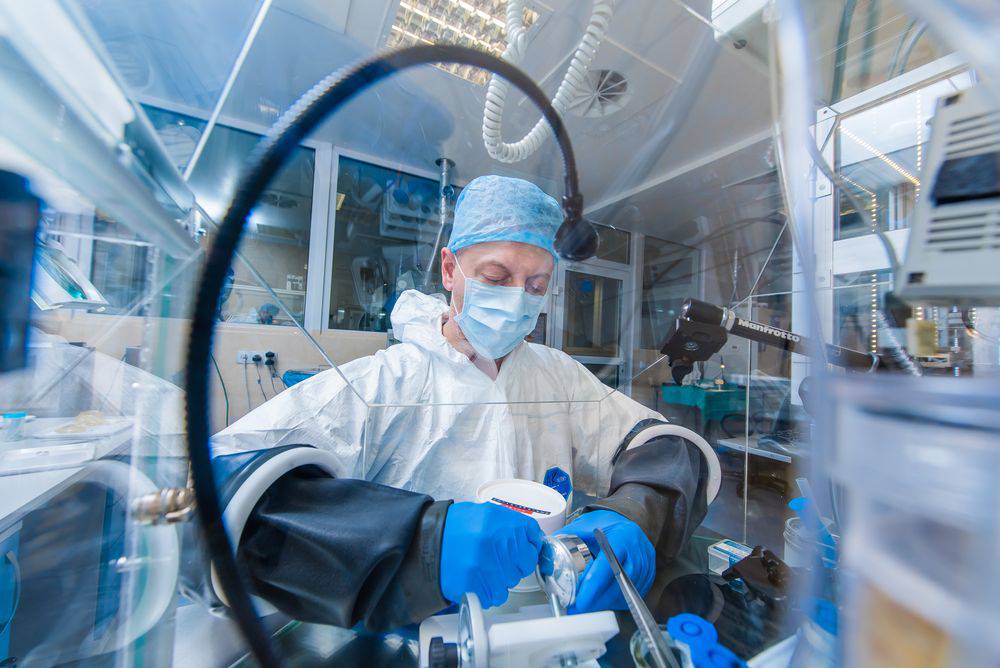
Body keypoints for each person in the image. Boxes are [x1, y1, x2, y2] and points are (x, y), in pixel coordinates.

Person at [209, 175, 711, 630]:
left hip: (541, 629)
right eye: (495, 277)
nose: (517, 299)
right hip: (414, 637)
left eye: (536, 285)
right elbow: (217, 484)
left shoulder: (557, 376)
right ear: (450, 269)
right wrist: (414, 544)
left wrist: (636, 511)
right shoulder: (384, 383)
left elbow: (666, 447)